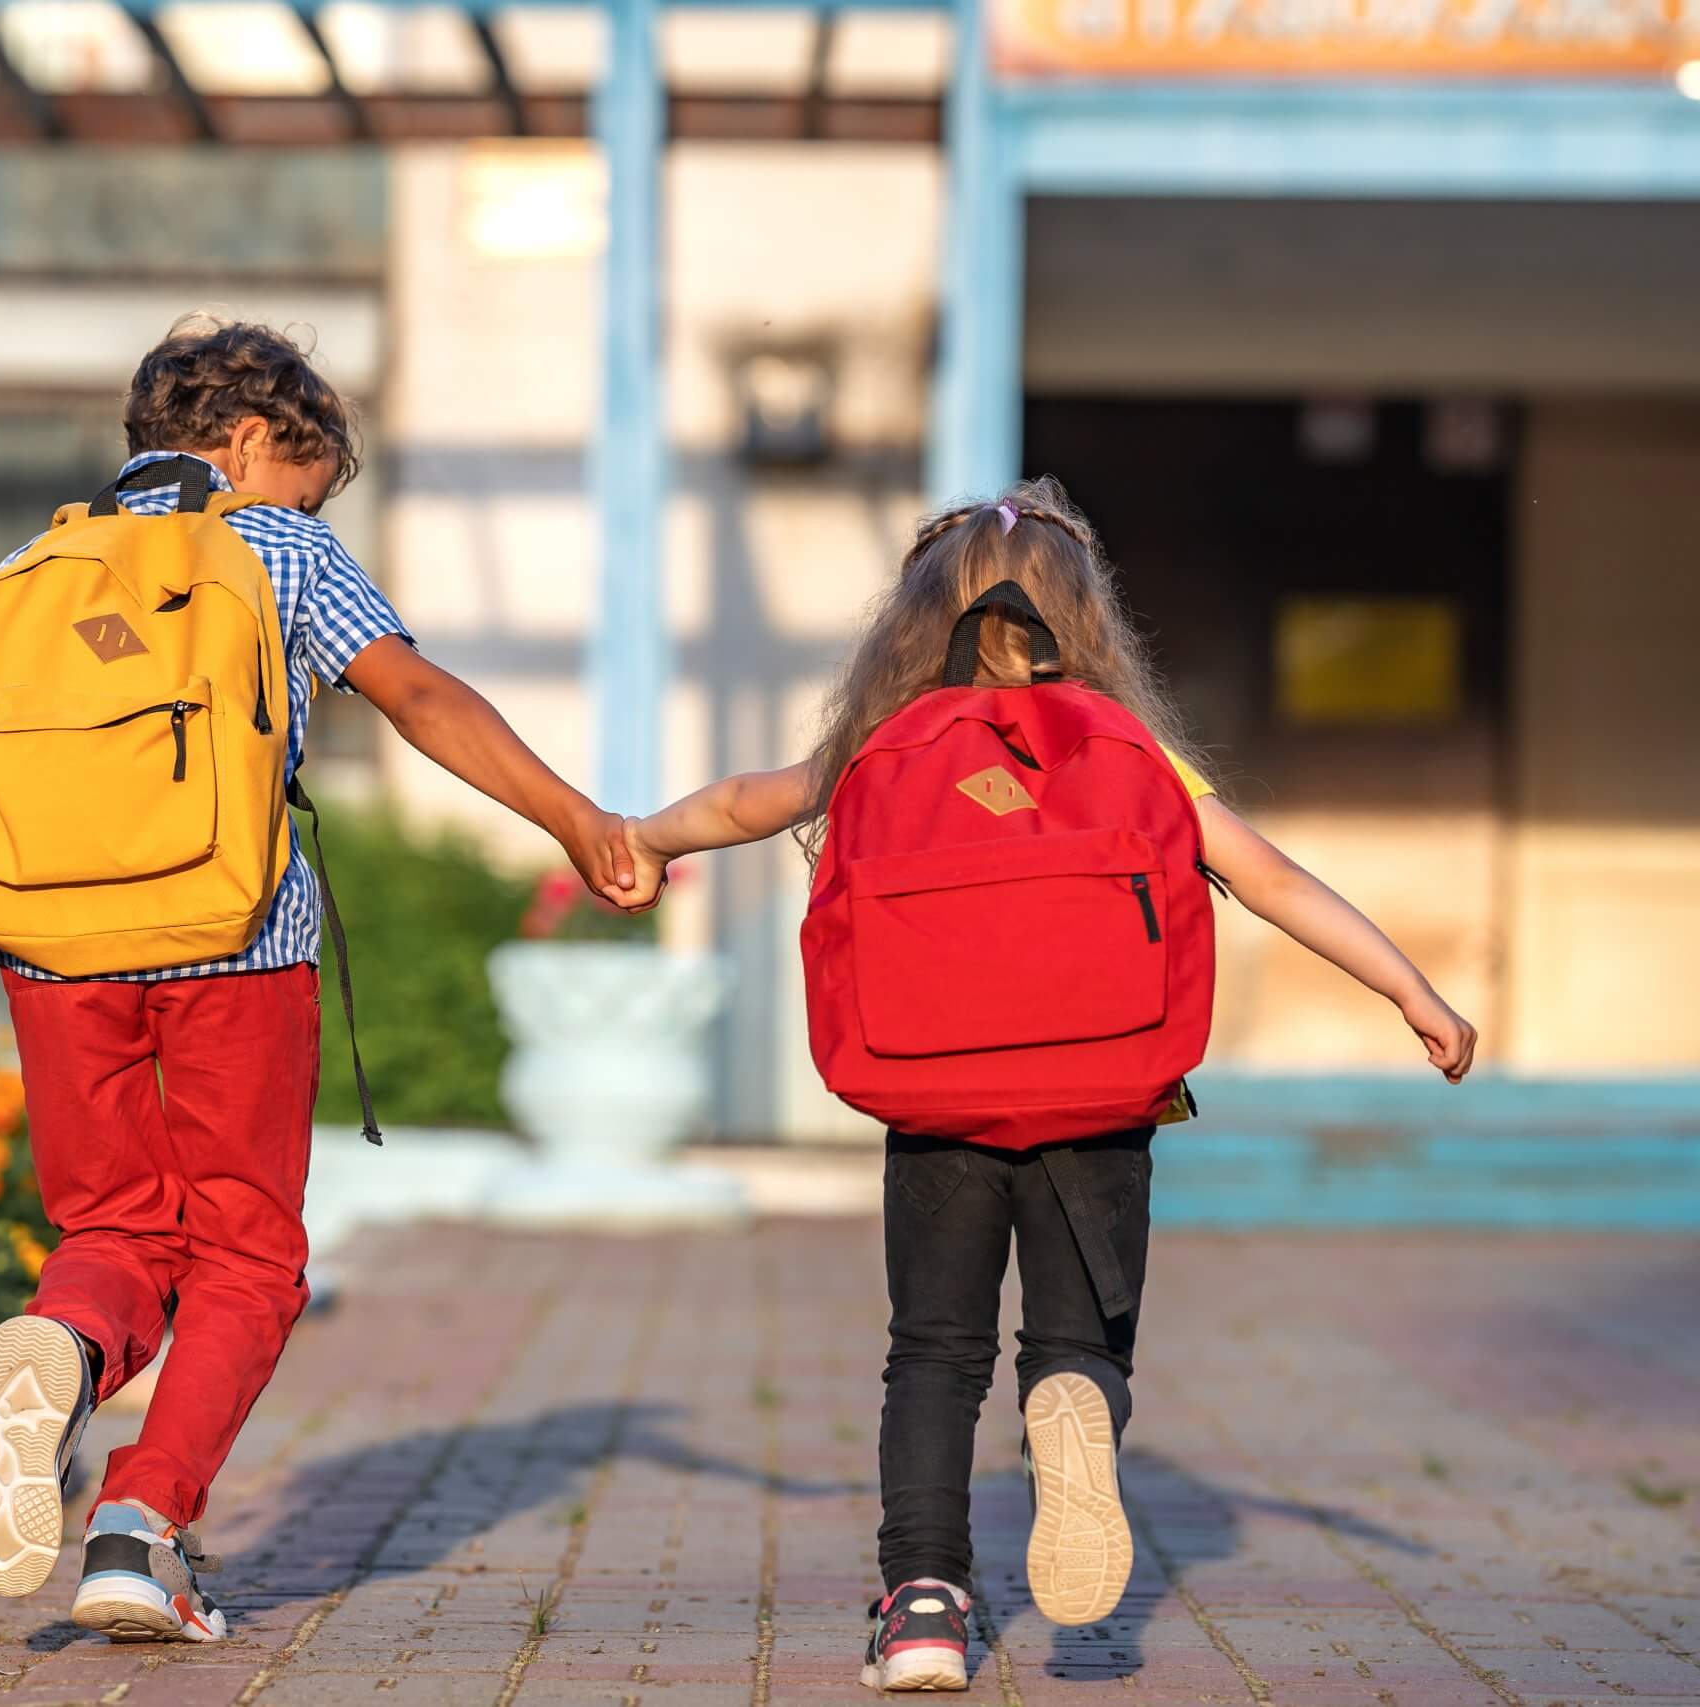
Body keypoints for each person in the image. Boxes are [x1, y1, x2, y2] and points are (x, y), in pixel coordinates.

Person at [613, 477, 1476, 1692]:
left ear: (913, 624)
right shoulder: (1135, 754)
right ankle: (1073, 1393)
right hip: (1103, 1092)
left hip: (935, 1094)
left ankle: (922, 1604)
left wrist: (642, 842)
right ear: (1089, 621)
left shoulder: (877, 747)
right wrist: (1411, 990)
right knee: (1073, 1337)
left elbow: (738, 804)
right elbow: (1273, 881)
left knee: (932, 1355)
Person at [0, 315, 638, 1643]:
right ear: (245, 442)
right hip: (235, 937)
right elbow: (416, 696)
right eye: (309, 468)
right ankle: (141, 1525)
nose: (315, 500)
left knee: (110, 1232)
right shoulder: (277, 544)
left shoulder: (33, 561)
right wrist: (573, 818)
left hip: (49, 954)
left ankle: (62, 1350)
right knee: (246, 1251)